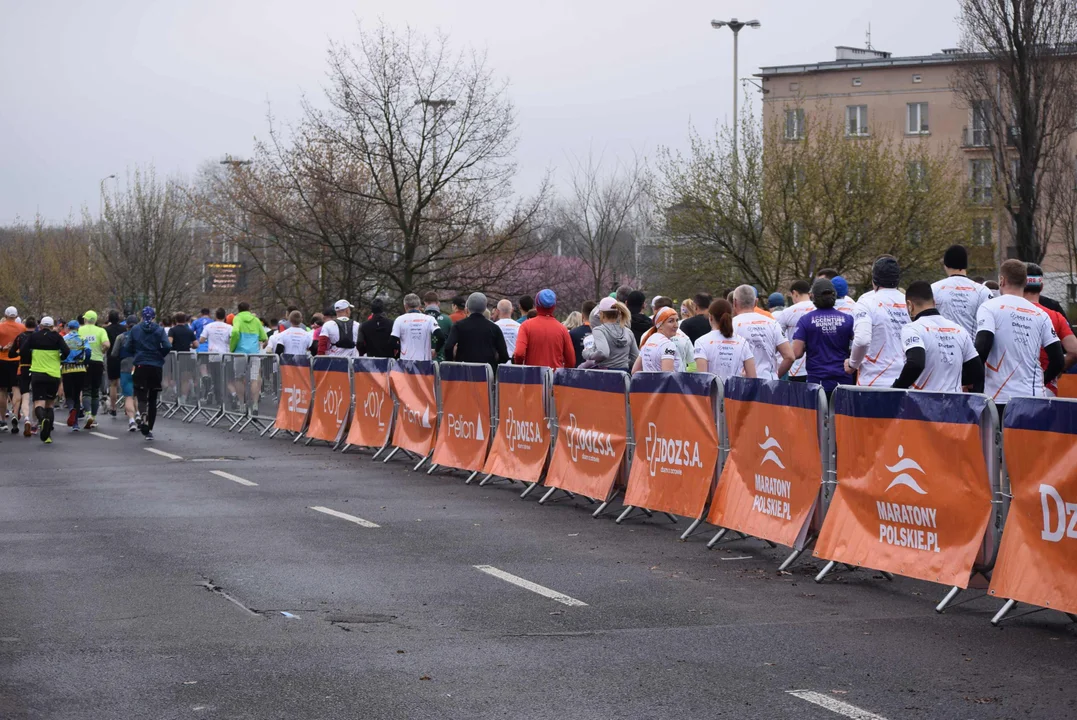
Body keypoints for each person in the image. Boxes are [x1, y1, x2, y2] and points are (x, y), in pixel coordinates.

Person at [976, 259, 1064, 416]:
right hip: (1033, 397)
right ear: (1024, 283)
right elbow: (1058, 360)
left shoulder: (989, 307)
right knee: (1030, 441)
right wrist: (1041, 383)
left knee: (999, 441)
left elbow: (983, 346)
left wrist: (972, 380)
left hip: (999, 398)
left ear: (1002, 280)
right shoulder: (1041, 314)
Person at [892, 281, 983, 393]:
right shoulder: (959, 330)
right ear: (934, 302)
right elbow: (977, 370)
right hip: (954, 403)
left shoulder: (912, 329)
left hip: (922, 403)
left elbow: (915, 363)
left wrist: (896, 388)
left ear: (910, 305)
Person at [846, 257, 910, 387]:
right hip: (905, 379)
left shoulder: (866, 302)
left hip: (874, 381)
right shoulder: (909, 303)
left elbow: (862, 339)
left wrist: (853, 364)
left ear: (873, 280)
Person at [790, 279, 856, 395]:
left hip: (817, 383)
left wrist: (808, 344)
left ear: (813, 297)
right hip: (843, 382)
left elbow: (796, 353)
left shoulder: (805, 320)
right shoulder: (848, 319)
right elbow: (859, 344)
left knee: (818, 414)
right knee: (840, 413)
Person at [1024, 263, 1077, 396]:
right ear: (1041, 286)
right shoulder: (1054, 313)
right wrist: (1054, 371)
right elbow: (1074, 351)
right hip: (1046, 388)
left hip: (1012, 387)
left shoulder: (1003, 310)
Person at [21, 316, 70, 443]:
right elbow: (67, 351)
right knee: (50, 404)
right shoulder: (57, 337)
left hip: (37, 374)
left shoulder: (34, 337)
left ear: (41, 326)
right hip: (53, 375)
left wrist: (32, 355)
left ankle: (42, 420)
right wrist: (61, 357)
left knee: (38, 403)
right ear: (52, 326)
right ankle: (47, 435)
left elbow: (23, 350)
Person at [125, 307, 172, 439]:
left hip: (140, 364)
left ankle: (143, 413)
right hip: (155, 366)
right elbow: (167, 346)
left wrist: (136, 354)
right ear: (153, 317)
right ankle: (149, 429)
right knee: (153, 397)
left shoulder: (135, 329)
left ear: (141, 317)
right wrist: (159, 355)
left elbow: (127, 346)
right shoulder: (159, 329)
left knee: (141, 395)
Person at [731, 285, 794, 381]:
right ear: (756, 302)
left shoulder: (731, 325)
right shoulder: (772, 323)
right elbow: (789, 356)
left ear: (734, 302)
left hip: (740, 384)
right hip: (768, 384)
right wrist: (776, 375)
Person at [930, 244, 993, 335]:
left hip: (943, 346)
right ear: (966, 264)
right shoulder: (982, 291)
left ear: (946, 265)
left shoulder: (933, 289)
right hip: (973, 347)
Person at [693, 299, 756, 380]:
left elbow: (702, 379)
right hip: (735, 391)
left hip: (712, 392)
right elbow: (753, 378)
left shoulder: (701, 342)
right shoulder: (742, 342)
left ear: (711, 317)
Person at [444, 292, 509, 371]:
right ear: (485, 308)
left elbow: (448, 347)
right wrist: (493, 365)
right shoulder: (494, 328)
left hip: (464, 372)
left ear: (467, 307)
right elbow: (504, 355)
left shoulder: (458, 326)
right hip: (486, 374)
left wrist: (452, 362)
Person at [513, 289, 575, 368]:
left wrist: (520, 367)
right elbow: (571, 361)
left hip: (532, 376)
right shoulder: (562, 329)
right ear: (554, 306)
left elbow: (519, 353)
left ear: (536, 304)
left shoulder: (526, 326)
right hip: (554, 377)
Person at [584, 298, 638, 372]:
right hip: (624, 374)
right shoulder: (628, 332)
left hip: (605, 375)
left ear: (602, 314)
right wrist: (623, 363)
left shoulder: (599, 330)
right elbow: (635, 358)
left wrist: (587, 353)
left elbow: (603, 353)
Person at [774, 280, 814, 382]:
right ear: (809, 294)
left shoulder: (787, 312)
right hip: (816, 366)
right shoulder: (818, 309)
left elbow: (777, 340)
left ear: (794, 293)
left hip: (795, 367)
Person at [77, 310, 110, 429]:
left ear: (85, 320)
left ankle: (88, 414)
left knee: (86, 389)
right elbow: (107, 344)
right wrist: (102, 350)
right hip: (97, 361)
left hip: (84, 362)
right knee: (95, 391)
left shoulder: (80, 330)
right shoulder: (101, 330)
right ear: (95, 320)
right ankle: (94, 418)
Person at [110, 315, 141, 431]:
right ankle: (138, 413)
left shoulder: (121, 337)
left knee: (128, 395)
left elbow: (114, 353)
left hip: (125, 366)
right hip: (139, 366)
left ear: (126, 325)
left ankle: (131, 420)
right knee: (137, 393)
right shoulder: (141, 337)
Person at [393, 293, 445, 361]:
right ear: (419, 306)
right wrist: (436, 350)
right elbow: (441, 337)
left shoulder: (399, 319)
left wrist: (402, 348)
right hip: (424, 363)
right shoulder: (429, 319)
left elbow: (392, 342)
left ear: (405, 306)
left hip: (405, 362)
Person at [61, 320, 92, 431]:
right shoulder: (83, 339)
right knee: (77, 395)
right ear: (78, 328)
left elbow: (60, 352)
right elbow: (88, 351)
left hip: (67, 369)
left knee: (69, 395)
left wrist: (62, 360)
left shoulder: (64, 339)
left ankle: (70, 410)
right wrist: (86, 362)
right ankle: (76, 424)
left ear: (68, 328)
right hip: (80, 368)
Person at [0, 306, 26, 433]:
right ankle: (15, 414)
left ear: (5, 315)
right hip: (17, 361)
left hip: (2, 360)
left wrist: (2, 348)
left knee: (2, 390)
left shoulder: (0, 327)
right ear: (16, 316)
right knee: (16, 389)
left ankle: (3, 420)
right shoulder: (22, 328)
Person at [633, 306, 683, 373]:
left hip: (649, 383)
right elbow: (667, 376)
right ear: (660, 325)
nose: (676, 325)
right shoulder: (668, 345)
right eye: (671, 321)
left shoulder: (649, 340)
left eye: (677, 320)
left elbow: (635, 371)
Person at [10, 316, 36, 436]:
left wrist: (18, 352)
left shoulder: (20, 337)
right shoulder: (38, 337)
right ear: (35, 325)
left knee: (24, 395)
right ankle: (36, 422)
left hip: (24, 367)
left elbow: (11, 353)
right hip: (37, 367)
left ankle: (25, 417)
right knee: (37, 397)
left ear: (25, 325)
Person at [104, 310, 126, 417]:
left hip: (112, 357)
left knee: (113, 384)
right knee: (126, 382)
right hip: (124, 357)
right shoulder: (124, 329)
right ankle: (128, 407)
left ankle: (113, 407)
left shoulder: (106, 330)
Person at [422, 292, 452, 360]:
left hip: (422, 361)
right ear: (438, 303)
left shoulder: (418, 320)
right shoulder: (447, 320)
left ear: (425, 303)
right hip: (441, 361)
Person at [569, 300, 596, 368]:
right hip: (598, 373)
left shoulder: (573, 333)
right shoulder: (601, 333)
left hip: (577, 373)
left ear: (582, 315)